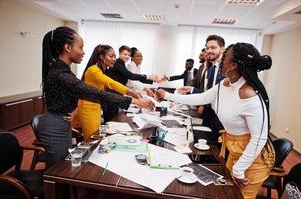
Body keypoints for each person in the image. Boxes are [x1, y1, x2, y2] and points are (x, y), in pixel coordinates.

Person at [155, 42, 275, 199]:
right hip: (234, 150)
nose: (220, 61)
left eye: (224, 57)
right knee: (227, 194)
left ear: (232, 65)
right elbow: (201, 98)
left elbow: (259, 138)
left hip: (253, 159)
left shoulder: (250, 95)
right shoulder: (225, 84)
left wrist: (239, 170)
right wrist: (167, 95)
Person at [39, 26, 154, 166]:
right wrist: (133, 100)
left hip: (62, 121)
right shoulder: (61, 74)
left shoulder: (63, 70)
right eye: (80, 47)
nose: (83, 52)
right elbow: (95, 92)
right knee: (59, 171)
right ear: (68, 47)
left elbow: (80, 93)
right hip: (55, 125)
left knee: (67, 166)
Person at [78, 44, 141, 141]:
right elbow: (111, 83)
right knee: (92, 139)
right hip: (87, 108)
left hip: (96, 106)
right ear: (102, 57)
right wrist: (130, 92)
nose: (114, 59)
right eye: (111, 56)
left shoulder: (103, 69)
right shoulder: (93, 70)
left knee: (97, 137)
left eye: (115, 56)